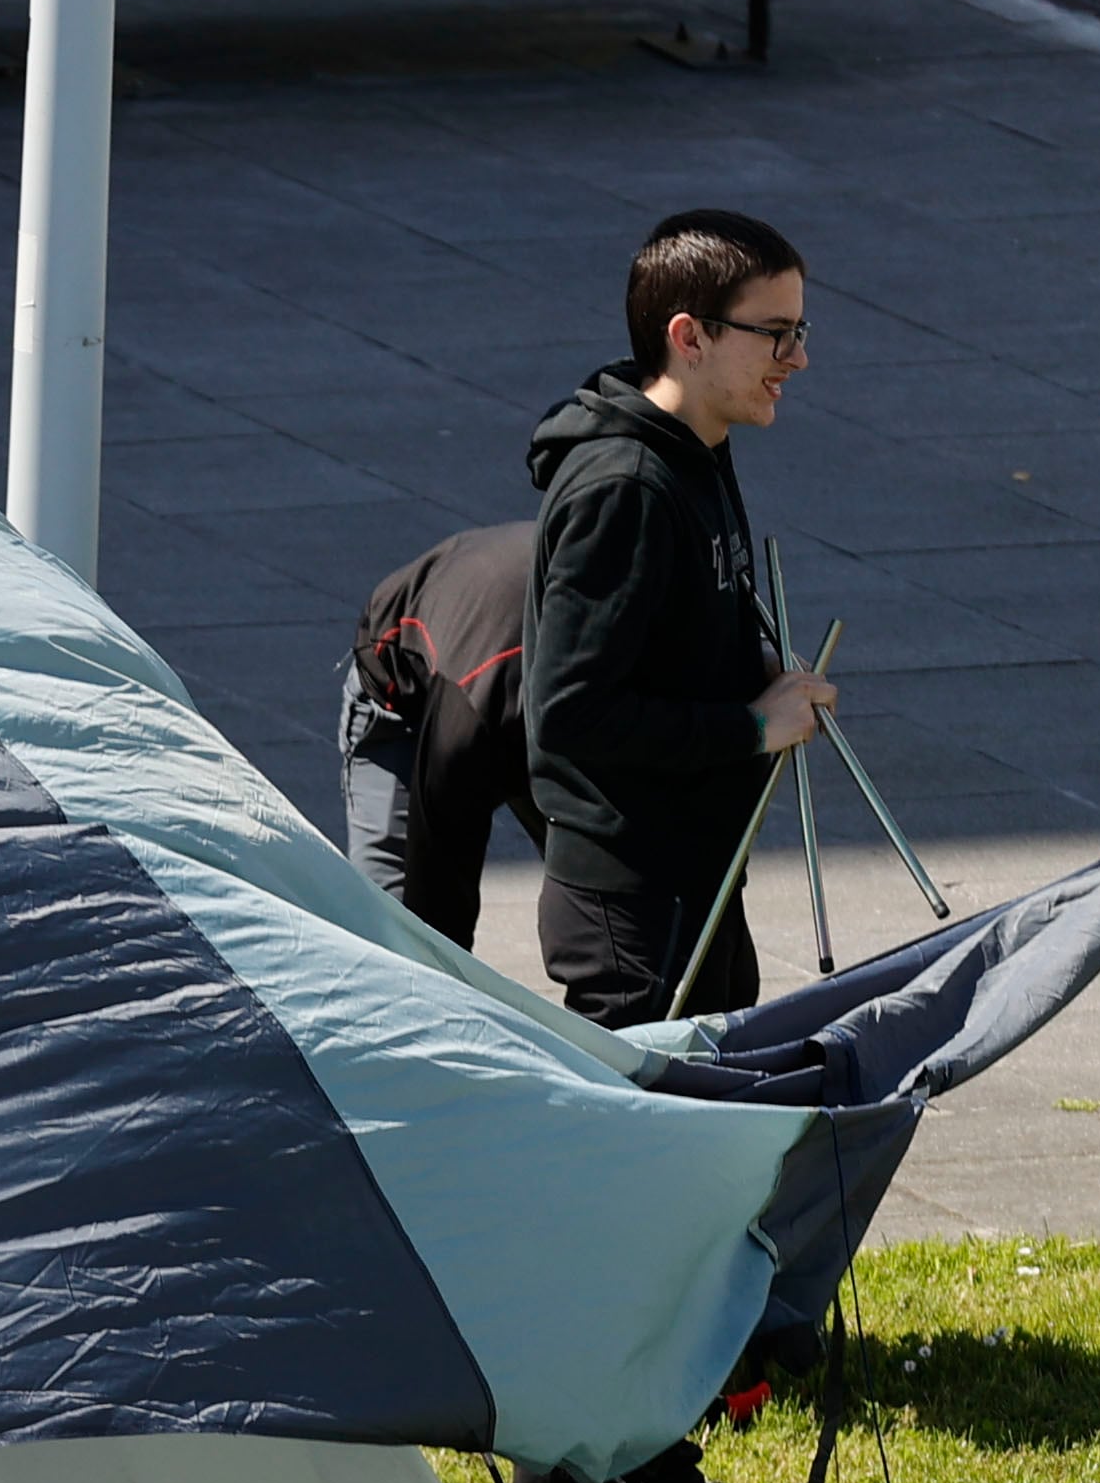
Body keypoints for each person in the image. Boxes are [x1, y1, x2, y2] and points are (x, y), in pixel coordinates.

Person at [522, 207, 837, 1031]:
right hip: (634, 888)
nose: (797, 359)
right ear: (688, 336)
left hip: (694, 866)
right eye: (773, 334)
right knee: (656, 1131)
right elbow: (568, 710)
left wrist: (752, 664)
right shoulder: (625, 486)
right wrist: (745, 727)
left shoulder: (698, 446)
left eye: (800, 329)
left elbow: (672, 629)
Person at [339, 521, 538, 951]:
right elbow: (440, 874)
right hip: (400, 694)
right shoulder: (470, 709)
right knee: (399, 932)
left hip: (508, 662)